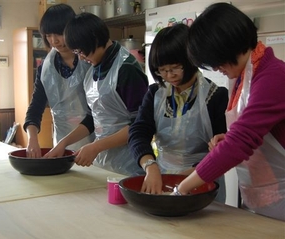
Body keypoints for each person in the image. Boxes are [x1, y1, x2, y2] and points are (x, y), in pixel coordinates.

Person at [175, 3, 285, 221]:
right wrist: (227, 138)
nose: (215, 68)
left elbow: (242, 140)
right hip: (261, 196)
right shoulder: (242, 76)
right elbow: (256, 131)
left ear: (226, 46)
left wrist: (183, 187)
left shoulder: (273, 76)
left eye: (214, 61)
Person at [128, 24, 228, 202]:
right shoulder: (155, 94)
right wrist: (150, 166)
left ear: (191, 60)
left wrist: (186, 177)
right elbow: (138, 132)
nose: (169, 76)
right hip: (161, 177)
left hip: (202, 180)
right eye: (162, 70)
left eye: (175, 68)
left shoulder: (215, 96)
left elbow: (222, 152)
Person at [45, 12, 149, 177]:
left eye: (80, 51)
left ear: (94, 39)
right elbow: (93, 118)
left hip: (129, 164)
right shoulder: (93, 69)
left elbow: (140, 126)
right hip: (104, 164)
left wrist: (96, 146)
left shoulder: (126, 69)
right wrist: (64, 143)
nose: (81, 57)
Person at [24, 4, 94, 158]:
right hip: (63, 144)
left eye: (59, 34)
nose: (54, 41)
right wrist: (32, 138)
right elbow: (36, 106)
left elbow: (97, 111)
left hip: (96, 141)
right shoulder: (46, 69)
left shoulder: (90, 60)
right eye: (48, 35)